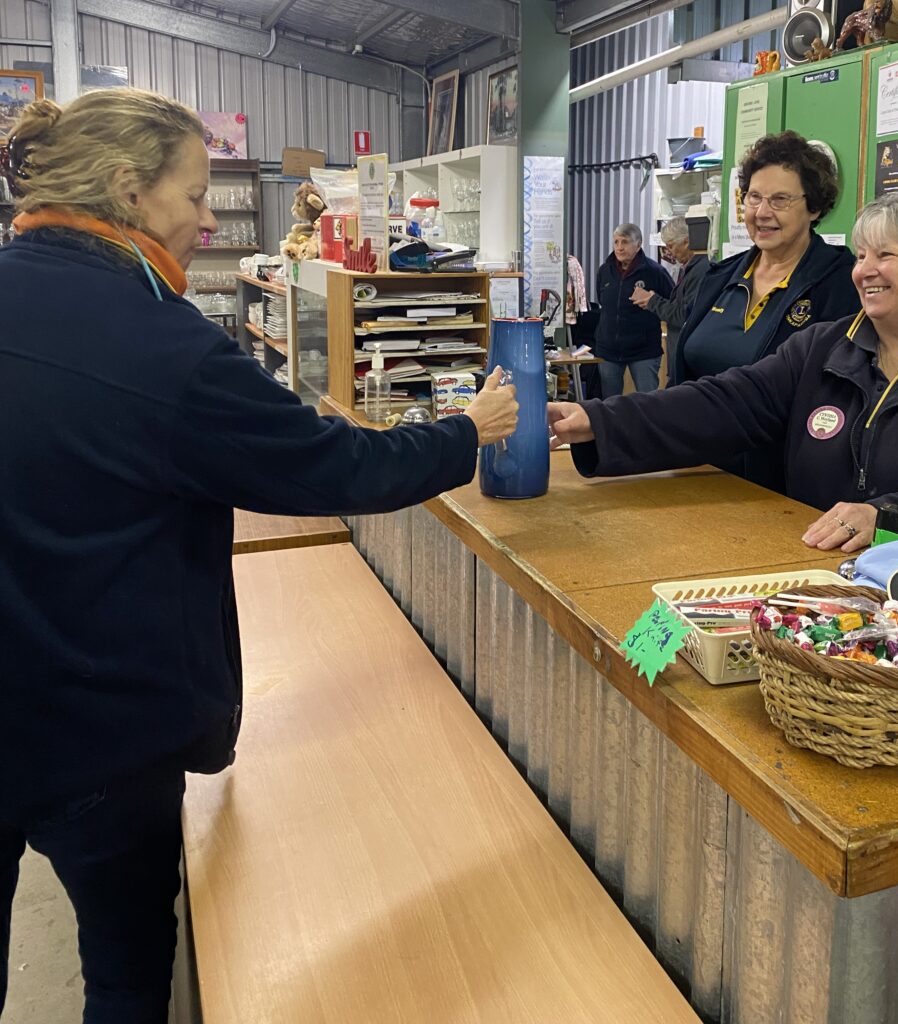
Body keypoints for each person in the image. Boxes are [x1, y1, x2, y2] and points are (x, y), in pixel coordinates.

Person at [0, 88, 517, 1022]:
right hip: (101, 734)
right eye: (195, 194)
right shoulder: (164, 346)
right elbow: (337, 466)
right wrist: (463, 431)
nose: (210, 217)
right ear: (126, 189)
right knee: (122, 977)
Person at [548, 188, 898, 552]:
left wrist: (887, 517)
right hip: (807, 575)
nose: (864, 271)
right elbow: (724, 403)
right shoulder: (824, 347)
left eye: (886, 255)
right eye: (860, 256)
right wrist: (599, 421)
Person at [670, 132, 860, 491]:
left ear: (814, 207)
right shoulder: (720, 277)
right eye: (754, 197)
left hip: (783, 488)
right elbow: (681, 381)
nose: (762, 212)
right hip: (697, 476)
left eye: (781, 200)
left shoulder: (841, 285)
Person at [593, 222, 674, 396]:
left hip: (644, 351)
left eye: (625, 242)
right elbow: (603, 302)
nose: (619, 247)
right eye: (616, 242)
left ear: (638, 245)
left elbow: (672, 305)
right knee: (610, 405)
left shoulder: (655, 272)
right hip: (609, 351)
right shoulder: (604, 271)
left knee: (648, 403)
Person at [630, 217, 710, 386]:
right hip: (679, 358)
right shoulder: (687, 269)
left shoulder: (701, 271)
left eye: (671, 246)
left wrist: (652, 301)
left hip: (688, 363)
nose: (669, 252)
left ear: (686, 242)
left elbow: (684, 315)